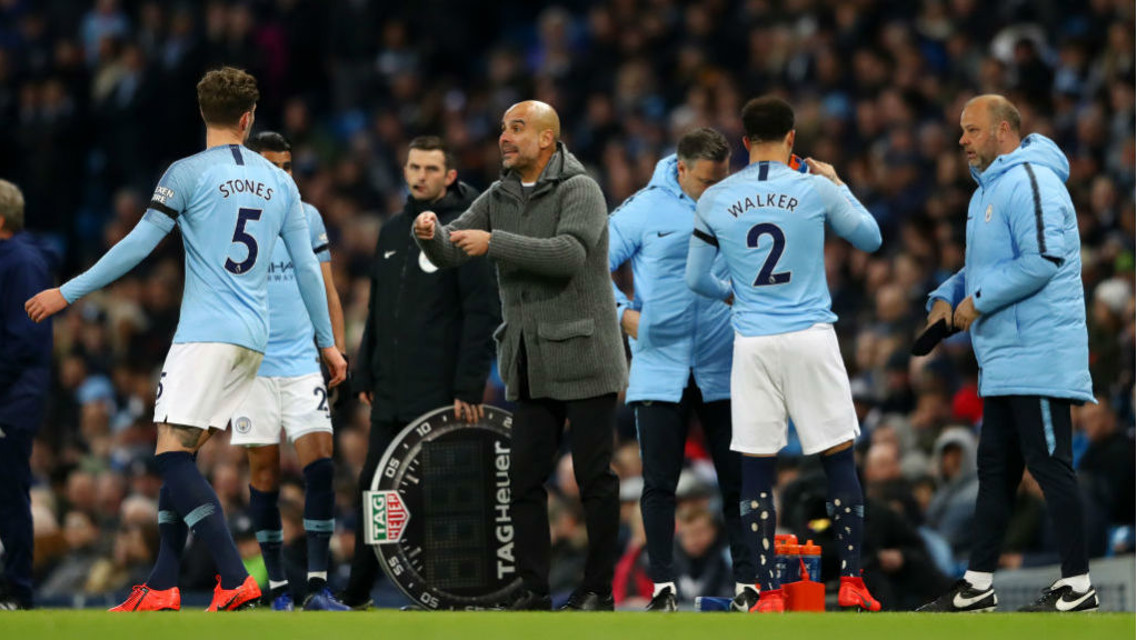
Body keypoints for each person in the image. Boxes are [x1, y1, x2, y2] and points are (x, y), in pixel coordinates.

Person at [25, 67, 347, 612]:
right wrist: (328, 343)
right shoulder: (282, 184)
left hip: (204, 334)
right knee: (184, 452)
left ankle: (232, 576)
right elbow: (308, 272)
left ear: (205, 114)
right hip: (255, 339)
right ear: (248, 119)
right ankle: (163, 582)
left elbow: (136, 246)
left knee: (171, 458)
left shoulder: (187, 173)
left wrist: (69, 292)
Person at [413, 100, 627, 611]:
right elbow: (450, 251)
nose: (505, 138)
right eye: (503, 129)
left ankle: (598, 588)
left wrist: (495, 243)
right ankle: (534, 590)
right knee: (524, 480)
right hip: (530, 360)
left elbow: (568, 255)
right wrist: (431, 233)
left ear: (547, 139)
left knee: (593, 479)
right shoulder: (498, 193)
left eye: (517, 128)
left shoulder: (582, 189)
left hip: (586, 355)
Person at [685, 96, 883, 613]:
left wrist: (735, 293)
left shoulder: (715, 199)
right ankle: (855, 581)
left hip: (753, 344)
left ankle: (769, 590)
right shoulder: (815, 188)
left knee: (756, 468)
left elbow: (695, 278)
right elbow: (871, 238)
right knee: (838, 457)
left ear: (745, 142)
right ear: (792, 138)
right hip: (811, 337)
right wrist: (838, 183)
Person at [917, 95, 1098, 613]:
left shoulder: (1033, 180)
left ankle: (1078, 585)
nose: (962, 140)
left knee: (1051, 466)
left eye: (971, 130)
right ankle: (977, 584)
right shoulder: (989, 191)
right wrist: (946, 298)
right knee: (994, 471)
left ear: (1002, 130)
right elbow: (985, 270)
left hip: (1037, 355)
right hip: (1004, 358)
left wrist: (979, 301)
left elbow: (1044, 257)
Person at [339, 135, 499, 609]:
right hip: (390, 390)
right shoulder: (391, 230)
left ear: (450, 175)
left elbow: (481, 311)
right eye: (414, 167)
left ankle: (443, 589)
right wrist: (363, 371)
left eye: (431, 168)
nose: (420, 176)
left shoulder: (465, 230)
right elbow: (378, 308)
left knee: (438, 496)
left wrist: (469, 383)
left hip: (439, 390)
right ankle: (358, 591)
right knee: (375, 492)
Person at [607, 127, 756, 612]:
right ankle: (663, 587)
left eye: (722, 178)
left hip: (722, 362)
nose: (715, 190)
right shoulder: (643, 210)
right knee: (659, 483)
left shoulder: (738, 205)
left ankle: (748, 586)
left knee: (737, 480)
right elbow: (589, 266)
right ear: (681, 169)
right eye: (706, 181)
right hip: (660, 364)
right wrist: (622, 313)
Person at [227, 130, 349, 611]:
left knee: (320, 465)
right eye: (272, 168)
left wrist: (334, 348)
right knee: (265, 473)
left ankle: (317, 585)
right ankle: (277, 588)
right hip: (252, 366)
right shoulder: (229, 221)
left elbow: (327, 290)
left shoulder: (308, 216)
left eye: (288, 166)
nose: (283, 176)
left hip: (301, 362)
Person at [0, 180, 52, 610]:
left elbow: (24, 342)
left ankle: (17, 590)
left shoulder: (21, 261)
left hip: (12, 398)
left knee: (8, 492)